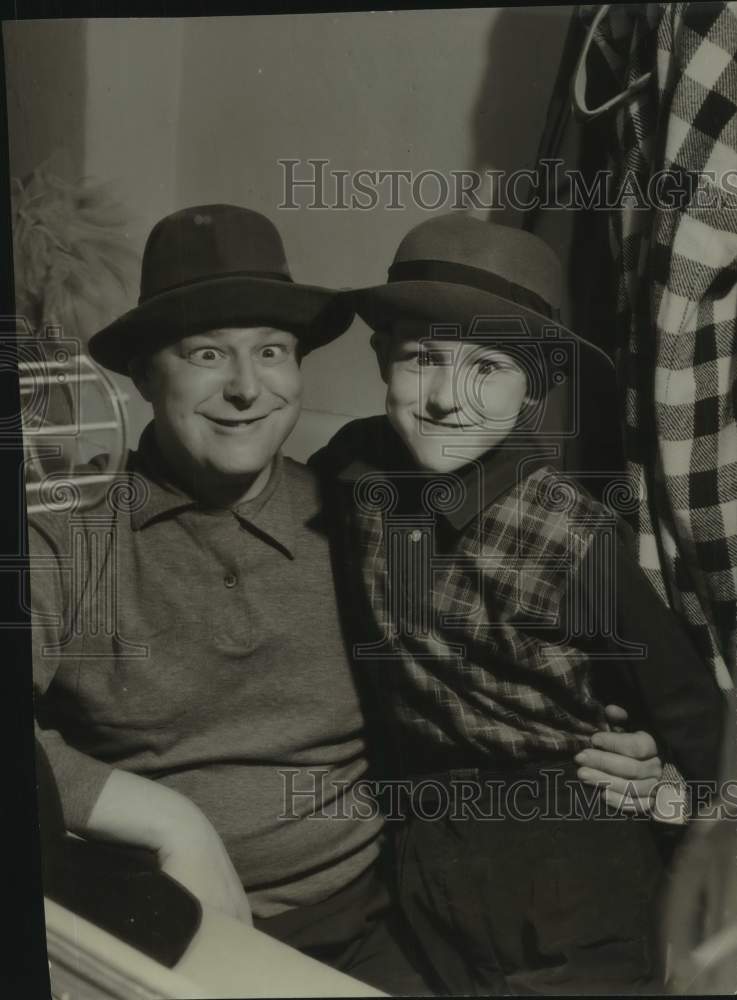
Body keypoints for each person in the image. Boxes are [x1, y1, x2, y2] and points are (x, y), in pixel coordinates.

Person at [30, 204, 672, 995]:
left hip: (384, 917)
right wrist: (172, 821)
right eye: (205, 354)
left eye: (272, 352)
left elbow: (502, 664)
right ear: (144, 374)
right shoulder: (67, 539)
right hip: (162, 924)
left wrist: (641, 758)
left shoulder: (357, 507)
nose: (244, 389)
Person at [311, 213, 727, 994]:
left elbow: (696, 718)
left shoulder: (578, 542)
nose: (444, 399)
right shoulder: (349, 467)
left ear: (534, 386)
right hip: (419, 859)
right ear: (378, 359)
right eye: (421, 359)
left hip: (568, 874)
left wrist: (669, 794)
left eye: (488, 368)